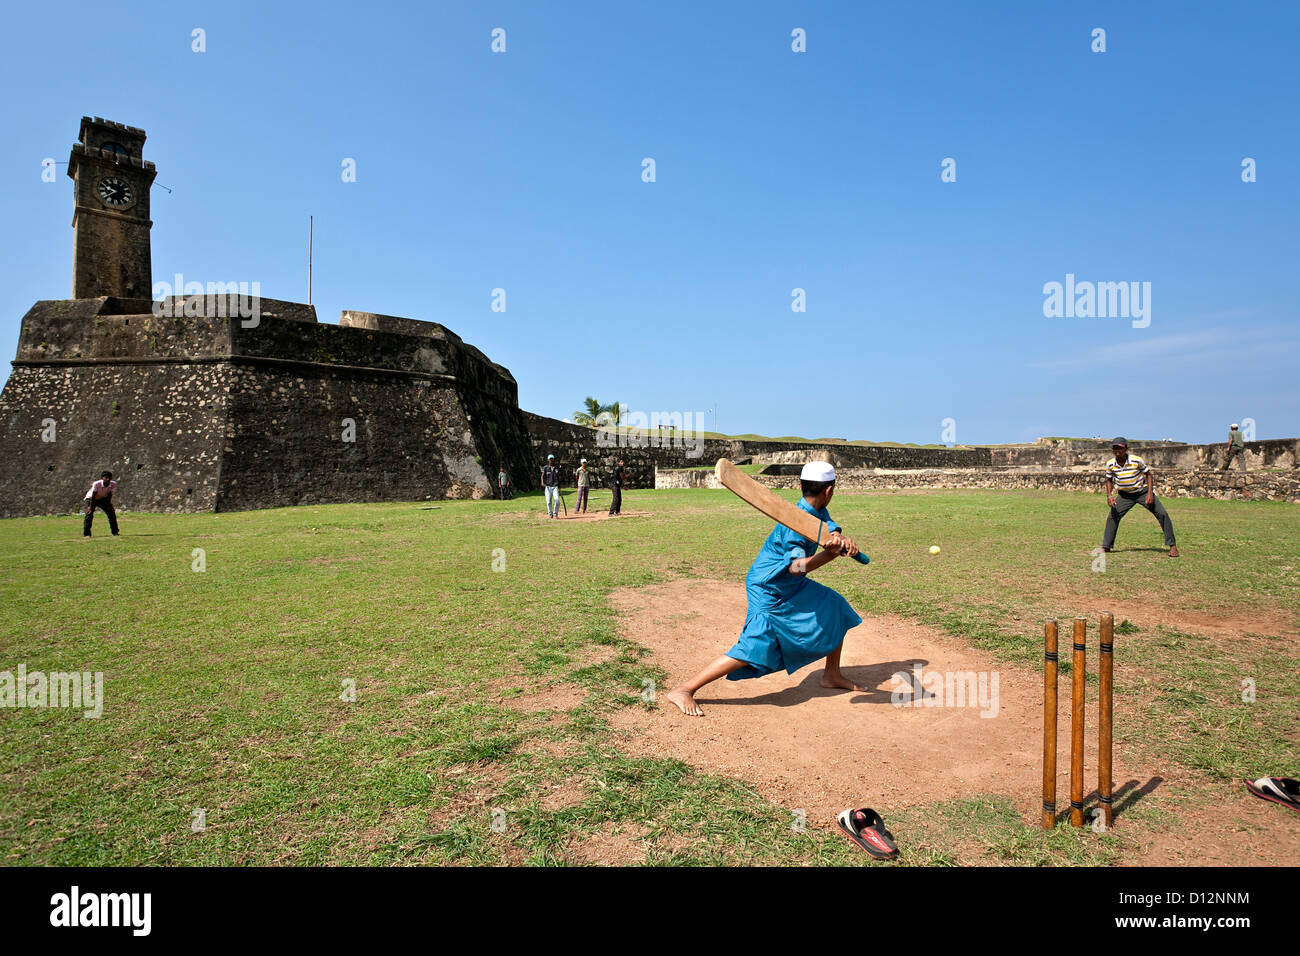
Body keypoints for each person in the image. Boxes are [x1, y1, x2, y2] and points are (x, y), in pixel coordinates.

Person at [666, 461, 866, 717]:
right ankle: (684, 689)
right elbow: (796, 568)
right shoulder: (793, 525)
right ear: (829, 491)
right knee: (754, 646)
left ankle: (832, 674)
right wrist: (829, 556)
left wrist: (839, 537)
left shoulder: (812, 513)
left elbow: (827, 527)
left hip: (790, 585)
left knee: (834, 606)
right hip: (768, 586)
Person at [1102, 437, 1179, 557]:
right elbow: (1109, 480)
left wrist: (1149, 493)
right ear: (1112, 449)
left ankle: (1172, 546)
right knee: (1112, 517)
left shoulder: (1136, 460)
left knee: (1162, 514)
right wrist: (1109, 496)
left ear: (1126, 448)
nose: (1118, 450)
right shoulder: (1110, 464)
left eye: (1120, 448)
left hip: (1142, 492)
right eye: (1115, 448)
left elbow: (1148, 475)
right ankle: (1106, 546)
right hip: (1124, 495)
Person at [83, 471, 120, 538]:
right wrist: (90, 507)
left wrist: (108, 504)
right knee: (89, 514)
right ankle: (87, 534)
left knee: (111, 512)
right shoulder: (96, 484)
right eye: (106, 478)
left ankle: (115, 532)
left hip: (102, 498)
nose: (108, 479)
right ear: (102, 478)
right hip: (91, 498)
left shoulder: (113, 484)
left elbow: (109, 494)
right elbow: (93, 495)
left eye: (109, 478)